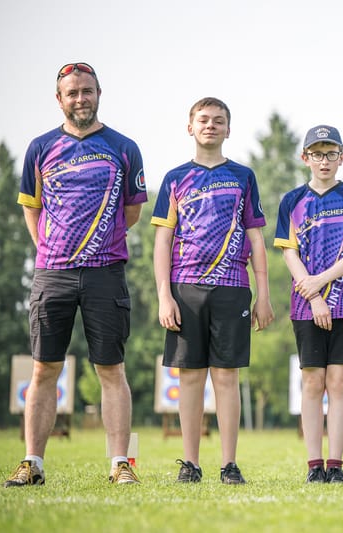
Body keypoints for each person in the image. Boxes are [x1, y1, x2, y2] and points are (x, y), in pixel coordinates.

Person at [5, 62, 147, 487]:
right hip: (54, 274)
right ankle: (33, 463)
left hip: (106, 272)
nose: (80, 98)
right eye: (72, 93)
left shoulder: (124, 147)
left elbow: (133, 211)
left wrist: (96, 244)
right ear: (59, 99)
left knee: (111, 369)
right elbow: (31, 208)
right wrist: (50, 250)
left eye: (87, 91)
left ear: (99, 93)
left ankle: (121, 464)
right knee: (44, 370)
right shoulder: (39, 147)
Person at [151, 97, 274, 485]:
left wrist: (263, 293)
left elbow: (256, 238)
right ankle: (190, 463)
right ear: (190, 127)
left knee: (226, 377)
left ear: (228, 129)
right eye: (203, 120)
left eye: (218, 120)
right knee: (190, 377)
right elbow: (162, 242)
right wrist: (163, 295)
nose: (210, 125)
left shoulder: (243, 176)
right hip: (185, 289)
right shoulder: (174, 178)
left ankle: (229, 464)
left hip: (233, 288)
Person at [274, 125, 343, 483]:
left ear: (341, 157)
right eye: (316, 154)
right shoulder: (291, 201)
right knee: (312, 383)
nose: (324, 160)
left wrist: (322, 280)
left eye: (330, 153)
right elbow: (289, 253)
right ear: (305, 158)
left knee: (338, 382)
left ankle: (336, 465)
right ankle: (314, 466)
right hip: (306, 306)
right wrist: (315, 294)